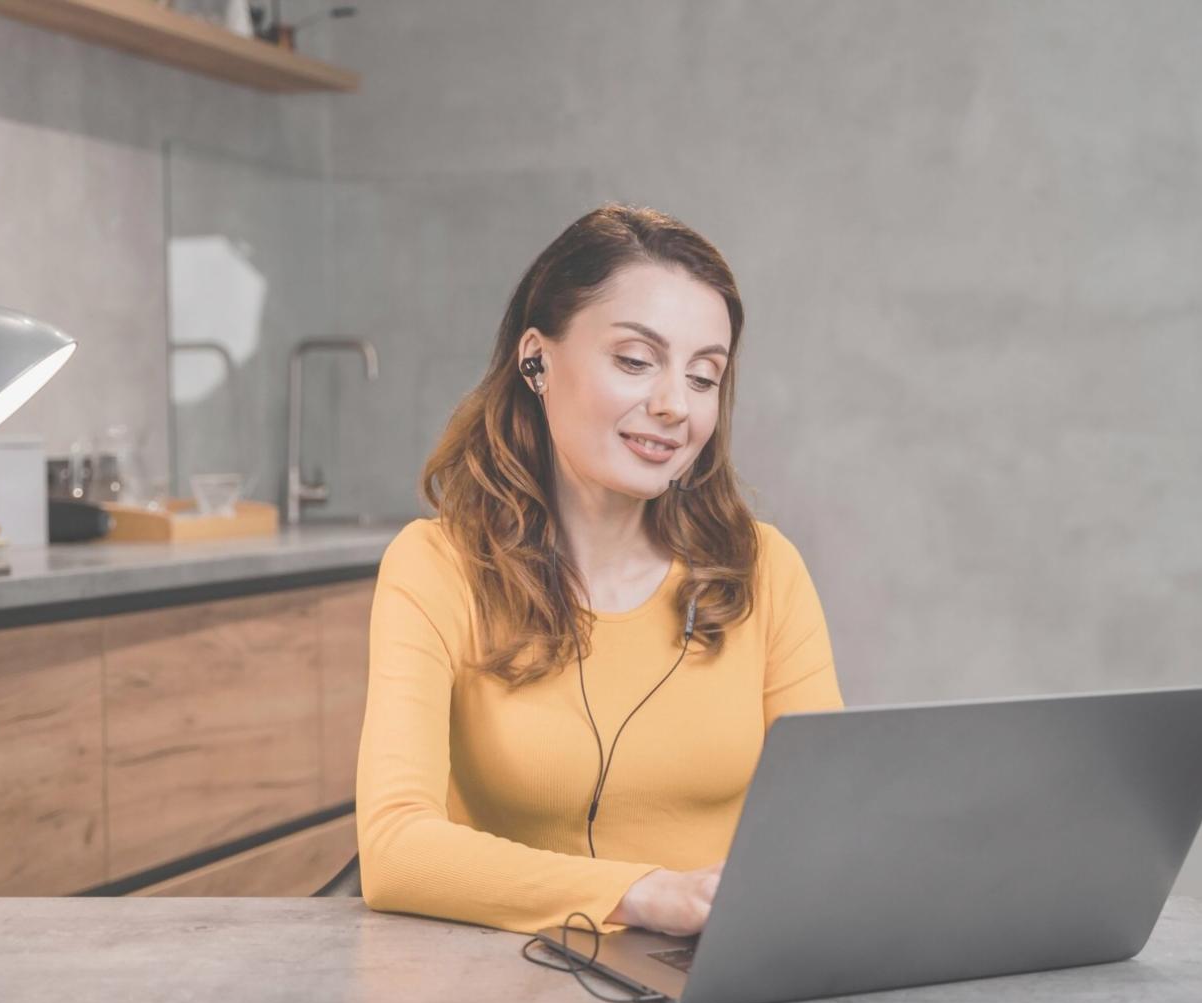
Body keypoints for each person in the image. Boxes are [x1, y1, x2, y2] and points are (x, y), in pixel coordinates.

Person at [355, 203, 843, 939]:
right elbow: (394, 849)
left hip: (719, 987)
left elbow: (835, 819)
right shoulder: (436, 568)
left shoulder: (765, 569)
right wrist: (641, 892)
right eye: (636, 361)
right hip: (504, 997)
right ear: (536, 359)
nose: (674, 405)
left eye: (705, 376)